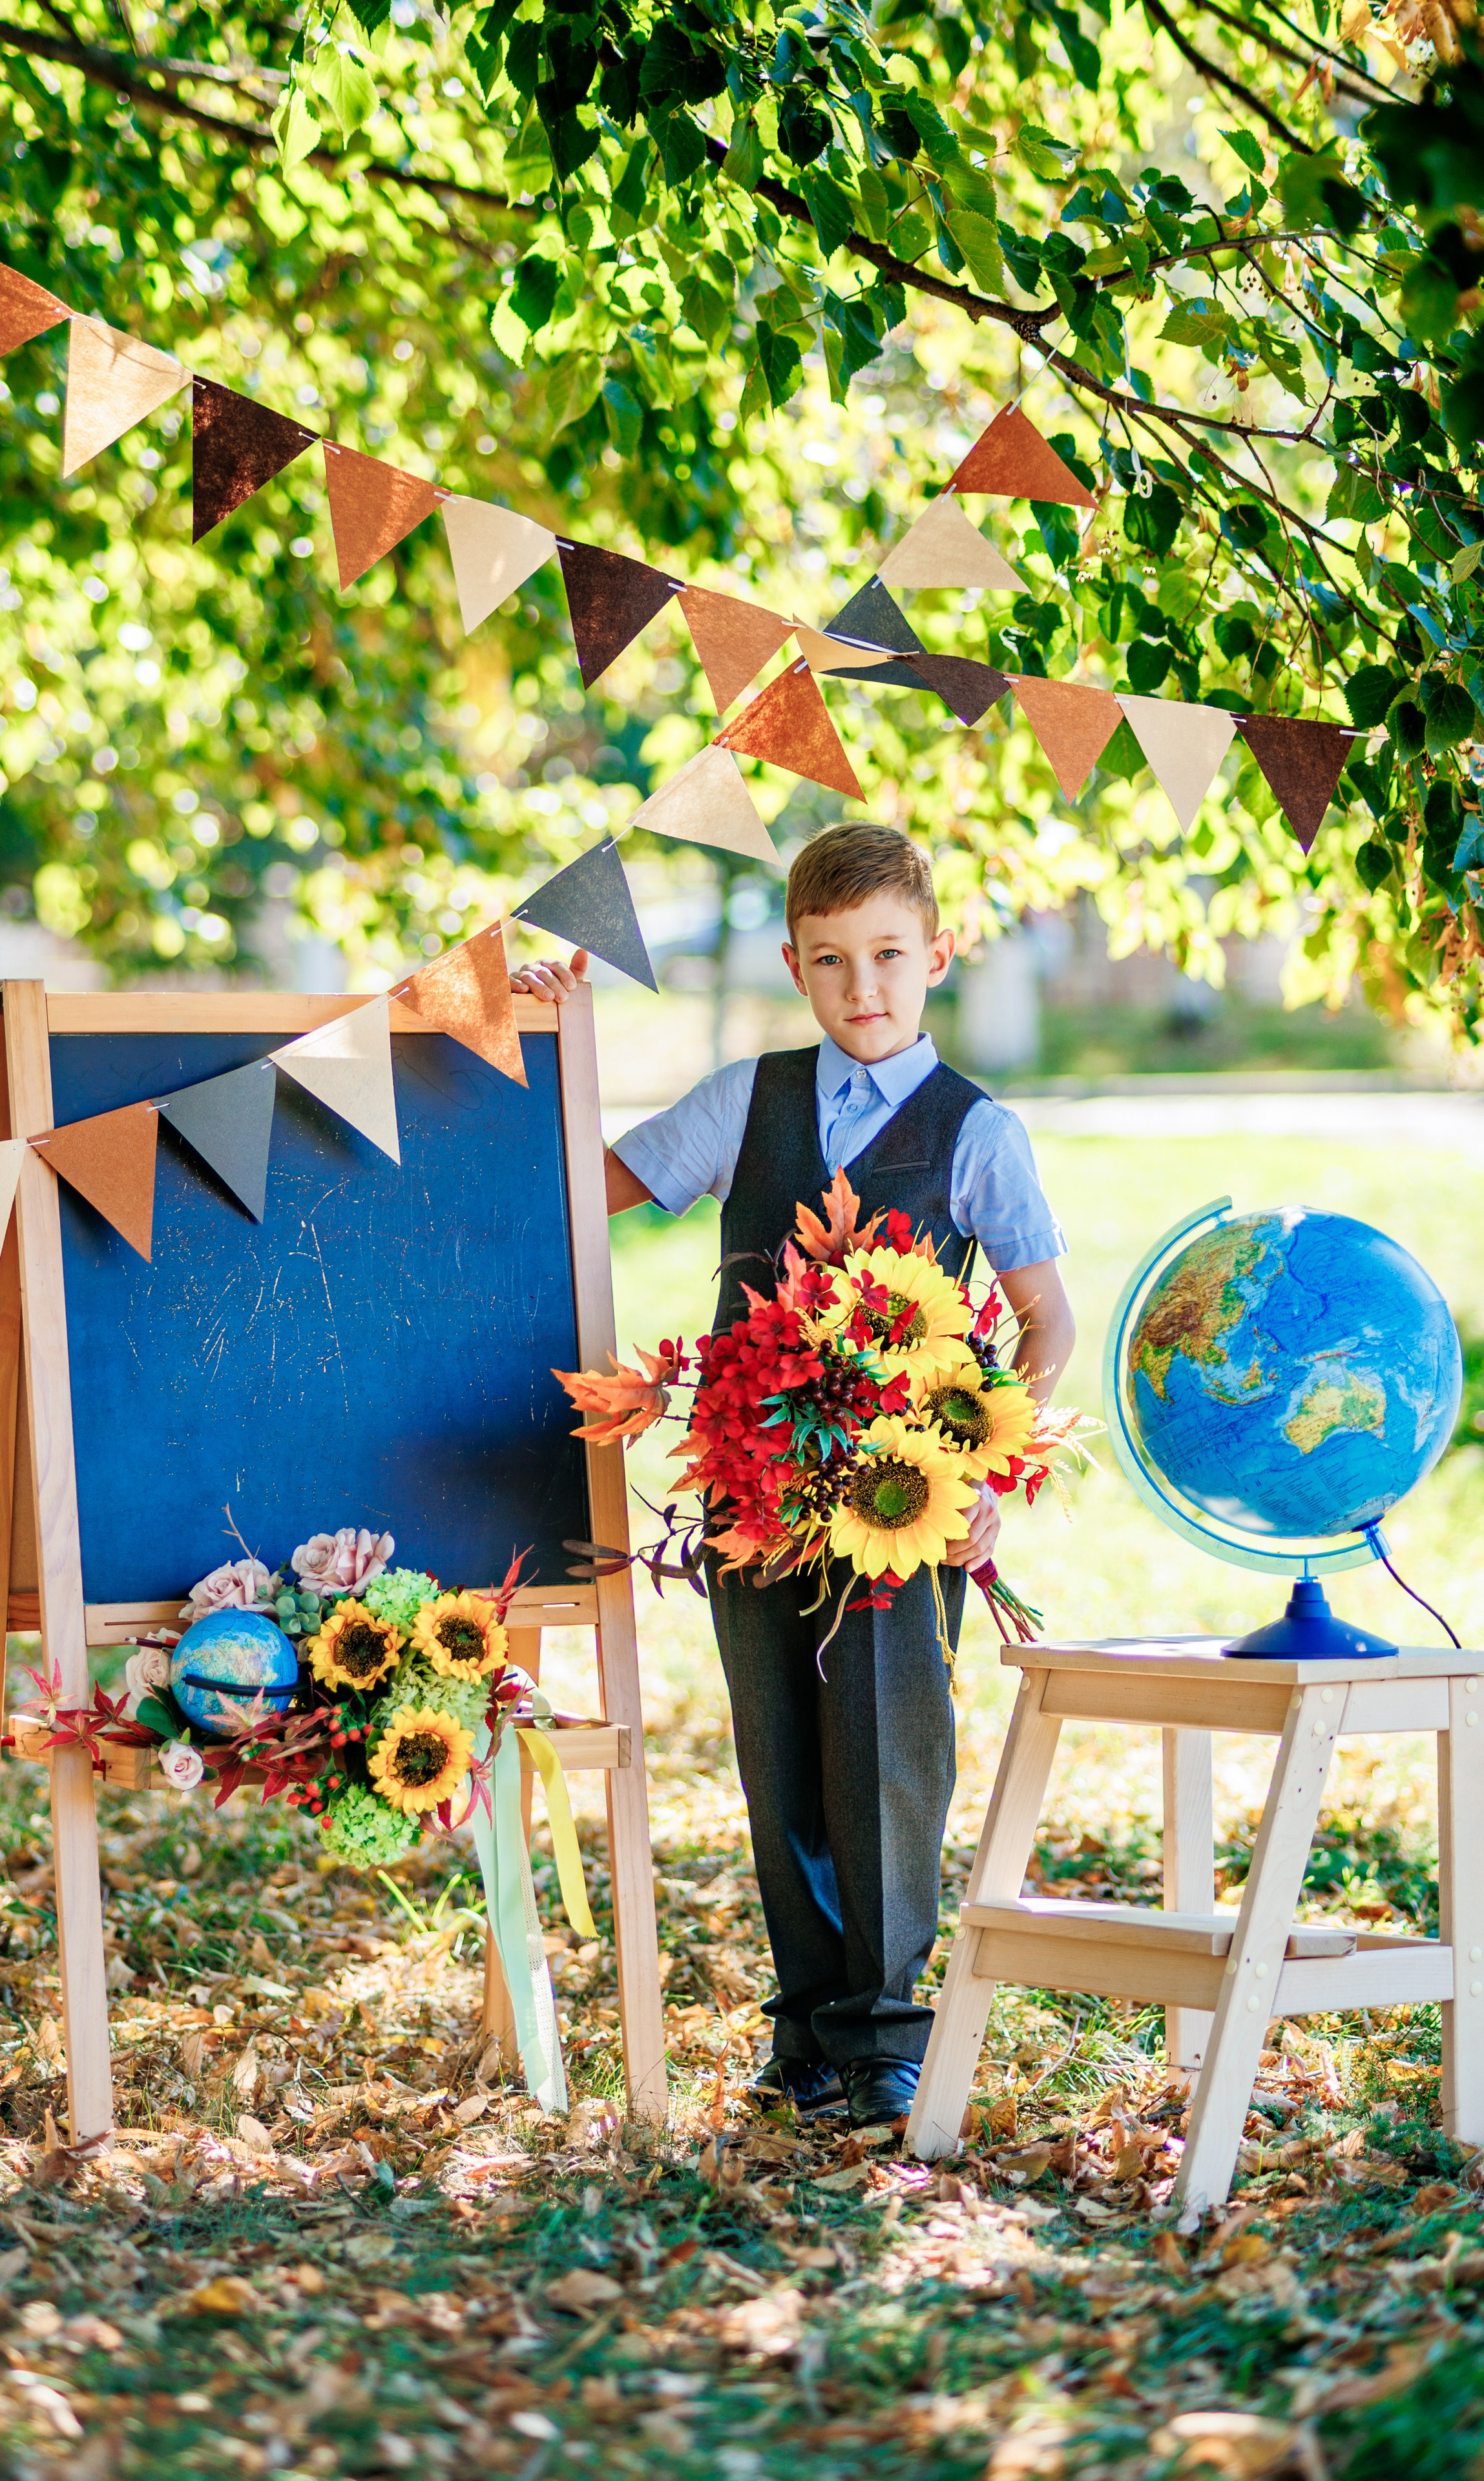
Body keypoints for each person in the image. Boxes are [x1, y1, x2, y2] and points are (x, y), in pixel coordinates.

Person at [511, 823, 1074, 2128]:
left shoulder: (975, 1131)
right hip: (751, 1495)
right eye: (829, 962)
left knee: (882, 1756)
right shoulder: (743, 1103)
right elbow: (574, 1191)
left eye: (885, 956)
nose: (859, 988)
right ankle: (807, 2030)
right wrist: (549, 1054)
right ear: (792, 964)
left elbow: (1044, 1320)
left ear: (934, 953)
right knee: (777, 1754)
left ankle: (885, 2034)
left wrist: (993, 1455)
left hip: (899, 1503)